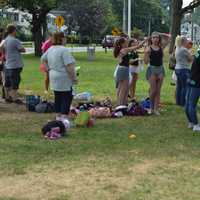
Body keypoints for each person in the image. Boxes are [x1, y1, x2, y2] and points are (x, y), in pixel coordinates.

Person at [41, 32, 77, 120]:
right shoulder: (64, 50)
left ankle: (58, 116)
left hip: (53, 75)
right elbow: (69, 66)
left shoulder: (51, 49)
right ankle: (64, 118)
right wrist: (74, 78)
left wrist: (48, 69)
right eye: (65, 38)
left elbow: (43, 59)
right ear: (62, 39)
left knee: (58, 96)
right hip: (63, 77)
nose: (66, 39)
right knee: (67, 97)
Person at [114, 37, 146, 106]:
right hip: (124, 70)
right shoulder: (124, 50)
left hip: (120, 69)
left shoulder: (120, 50)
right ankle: (121, 105)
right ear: (122, 44)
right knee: (124, 89)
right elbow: (138, 46)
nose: (127, 43)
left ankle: (120, 104)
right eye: (126, 42)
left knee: (120, 88)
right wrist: (145, 40)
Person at [144, 32, 170, 115]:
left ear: (159, 39)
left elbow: (169, 37)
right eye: (153, 37)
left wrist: (159, 33)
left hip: (160, 69)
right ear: (151, 39)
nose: (155, 39)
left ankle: (156, 109)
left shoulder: (161, 47)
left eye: (157, 37)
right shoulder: (148, 48)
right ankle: (151, 108)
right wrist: (146, 53)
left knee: (158, 91)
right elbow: (145, 62)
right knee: (153, 90)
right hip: (152, 69)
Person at [1, 24, 25, 104]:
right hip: (15, 64)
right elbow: (22, 50)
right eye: (16, 30)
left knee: (7, 82)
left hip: (7, 64)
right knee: (15, 81)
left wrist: (4, 55)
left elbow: (1, 47)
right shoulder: (15, 40)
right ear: (14, 31)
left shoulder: (5, 40)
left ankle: (7, 97)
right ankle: (15, 98)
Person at [175, 36, 193, 106]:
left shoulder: (177, 48)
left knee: (179, 87)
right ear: (183, 42)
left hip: (177, 68)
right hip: (184, 69)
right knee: (185, 87)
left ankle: (178, 102)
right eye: (186, 41)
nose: (187, 42)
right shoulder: (184, 50)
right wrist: (193, 54)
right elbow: (191, 59)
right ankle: (183, 102)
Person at [185, 49, 200, 131]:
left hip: (191, 79)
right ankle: (196, 125)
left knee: (188, 103)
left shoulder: (198, 53)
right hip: (197, 81)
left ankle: (191, 122)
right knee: (192, 104)